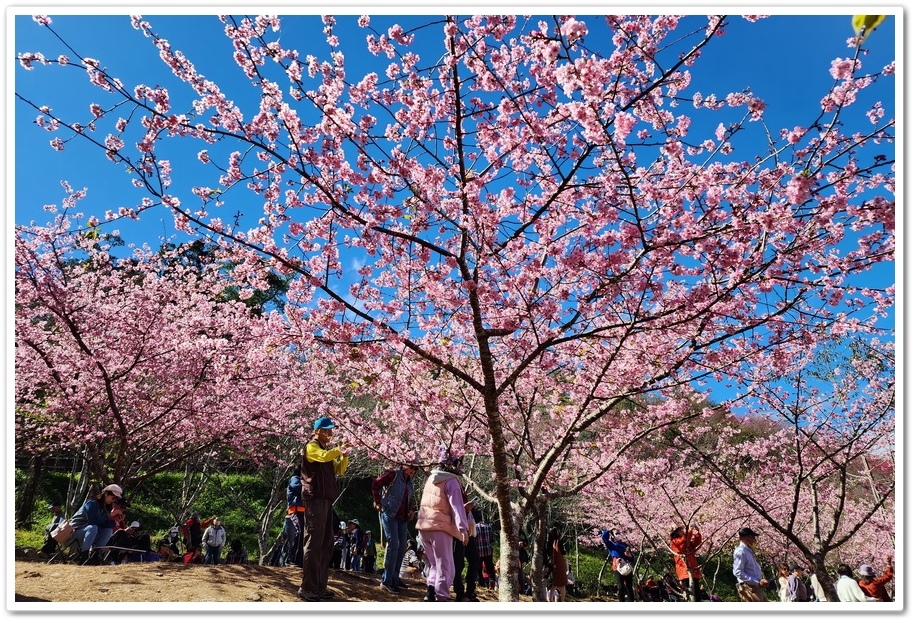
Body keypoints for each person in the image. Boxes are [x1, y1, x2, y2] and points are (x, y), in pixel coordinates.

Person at [298, 416, 349, 602]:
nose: (329, 433)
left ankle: (319, 587)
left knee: (326, 544)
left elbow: (340, 470)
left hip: (327, 500)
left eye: (330, 430)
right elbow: (323, 457)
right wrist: (339, 449)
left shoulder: (327, 450)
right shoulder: (312, 447)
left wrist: (345, 454)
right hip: (315, 499)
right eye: (326, 430)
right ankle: (308, 587)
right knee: (313, 543)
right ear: (317, 430)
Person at [415, 449, 469, 602]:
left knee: (434, 564)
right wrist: (463, 528)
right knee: (445, 566)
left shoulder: (431, 478)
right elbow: (457, 506)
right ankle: (442, 597)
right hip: (440, 528)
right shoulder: (451, 481)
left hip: (424, 526)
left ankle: (430, 593)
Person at [372, 462, 419, 593]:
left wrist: (411, 510)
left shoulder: (410, 482)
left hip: (402, 518)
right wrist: (377, 501)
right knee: (394, 544)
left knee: (402, 546)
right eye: (412, 467)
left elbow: (409, 499)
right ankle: (386, 580)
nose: (413, 470)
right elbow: (376, 483)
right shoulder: (393, 475)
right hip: (389, 513)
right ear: (404, 465)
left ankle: (394, 578)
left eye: (416, 469)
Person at [69, 483, 124, 564]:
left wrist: (115, 520)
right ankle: (83, 557)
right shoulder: (92, 504)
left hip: (89, 535)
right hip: (73, 533)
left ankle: (95, 555)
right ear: (106, 494)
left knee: (108, 531)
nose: (113, 500)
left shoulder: (106, 509)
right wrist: (110, 515)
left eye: (116, 499)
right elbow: (93, 521)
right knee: (93, 527)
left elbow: (106, 526)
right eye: (113, 497)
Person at [732, 527, 769, 601]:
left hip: (755, 585)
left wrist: (760, 581)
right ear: (746, 538)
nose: (754, 540)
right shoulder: (741, 552)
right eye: (752, 537)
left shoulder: (748, 551)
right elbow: (738, 572)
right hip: (749, 587)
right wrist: (756, 582)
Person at [453, 496, 479, 602]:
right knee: (458, 564)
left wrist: (469, 507)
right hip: (457, 532)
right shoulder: (451, 486)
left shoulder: (462, 489)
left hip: (469, 531)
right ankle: (459, 593)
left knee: (475, 560)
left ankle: (470, 591)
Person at [669, 524, 703, 601]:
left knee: (697, 596)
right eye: (680, 530)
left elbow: (696, 544)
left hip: (692, 570)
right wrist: (690, 531)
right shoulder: (674, 542)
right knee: (690, 596)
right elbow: (683, 544)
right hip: (685, 572)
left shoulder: (686, 540)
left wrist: (697, 534)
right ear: (676, 533)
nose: (683, 531)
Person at [601, 528, 635, 602]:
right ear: (612, 536)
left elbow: (632, 558)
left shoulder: (625, 545)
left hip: (626, 567)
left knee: (629, 587)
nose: (618, 535)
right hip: (617, 567)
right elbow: (604, 537)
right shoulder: (611, 544)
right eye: (616, 533)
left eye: (619, 533)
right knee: (621, 586)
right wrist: (609, 530)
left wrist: (629, 556)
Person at [286, 463, 306, 567]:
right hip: (295, 511)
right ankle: (292, 559)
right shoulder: (295, 478)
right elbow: (296, 487)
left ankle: (298, 559)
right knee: (298, 533)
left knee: (301, 534)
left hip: (301, 511)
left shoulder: (299, 479)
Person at [547, 527, 568, 602]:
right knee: (562, 583)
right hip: (560, 564)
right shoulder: (558, 542)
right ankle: (562, 600)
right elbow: (563, 552)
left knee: (555, 583)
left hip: (554, 564)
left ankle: (550, 599)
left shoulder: (549, 542)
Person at [475, 511, 495, 590]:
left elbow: (474, 538)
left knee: (479, 568)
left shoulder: (475, 527)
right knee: (490, 567)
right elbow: (491, 539)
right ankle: (491, 580)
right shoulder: (488, 527)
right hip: (488, 551)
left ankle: (481, 583)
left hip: (478, 551)